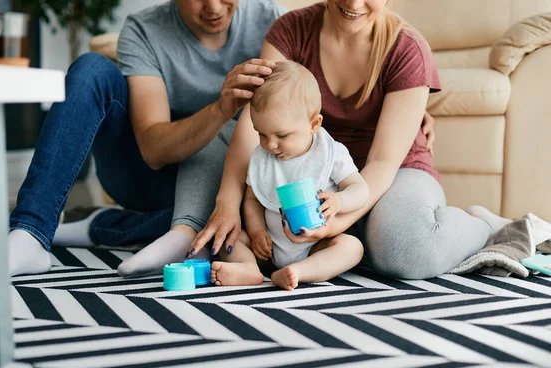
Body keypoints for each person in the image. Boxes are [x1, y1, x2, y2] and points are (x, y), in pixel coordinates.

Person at [0, 0, 287, 287]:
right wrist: (220, 108)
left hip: (228, 190)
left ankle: (102, 226)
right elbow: (153, 151)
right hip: (146, 177)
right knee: (91, 69)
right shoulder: (145, 30)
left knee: (230, 223)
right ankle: (30, 230)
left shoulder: (271, 19)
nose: (213, 7)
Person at [189, 0, 513, 280]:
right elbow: (255, 118)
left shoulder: (407, 50)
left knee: (403, 248)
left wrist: (332, 226)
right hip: (311, 172)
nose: (354, 4)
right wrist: (227, 202)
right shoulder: (291, 30)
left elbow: (384, 164)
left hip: (393, 171)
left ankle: (481, 224)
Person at [211, 60, 369, 290]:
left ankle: (299, 272)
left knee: (352, 248)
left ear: (314, 124)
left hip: (317, 244)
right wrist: (256, 233)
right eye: (261, 134)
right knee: (231, 239)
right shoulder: (261, 158)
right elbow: (252, 200)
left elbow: (361, 190)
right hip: (270, 247)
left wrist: (339, 201)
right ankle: (249, 268)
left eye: (282, 135)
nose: (271, 145)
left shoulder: (330, 153)